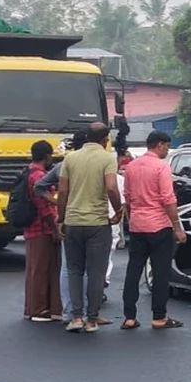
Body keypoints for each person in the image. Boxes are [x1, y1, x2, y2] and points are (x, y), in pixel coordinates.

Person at [58, 121, 122, 333]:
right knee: (96, 272)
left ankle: (76, 317)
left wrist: (61, 218)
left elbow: (63, 192)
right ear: (105, 140)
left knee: (74, 270)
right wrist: (118, 210)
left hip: (73, 221)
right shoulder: (107, 158)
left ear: (86, 137)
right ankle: (92, 319)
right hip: (97, 223)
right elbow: (112, 187)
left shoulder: (71, 158)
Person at [120, 131, 187, 331]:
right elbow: (168, 199)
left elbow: (128, 197)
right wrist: (177, 227)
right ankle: (159, 316)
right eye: (166, 146)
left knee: (133, 270)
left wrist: (133, 219)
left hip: (138, 225)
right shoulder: (161, 167)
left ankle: (129, 317)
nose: (167, 150)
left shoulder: (131, 167)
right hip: (159, 225)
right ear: (159, 145)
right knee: (160, 272)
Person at [38, 130, 87, 323]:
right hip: (94, 220)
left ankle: (71, 311)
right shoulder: (99, 162)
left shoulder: (63, 165)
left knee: (69, 267)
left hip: (69, 219)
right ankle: (90, 312)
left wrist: (58, 205)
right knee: (90, 268)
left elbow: (40, 186)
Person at [23, 140, 61, 323]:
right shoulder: (39, 176)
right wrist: (54, 229)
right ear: (47, 156)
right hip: (41, 228)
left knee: (36, 268)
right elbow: (44, 208)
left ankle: (33, 307)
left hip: (32, 228)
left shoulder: (28, 171)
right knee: (42, 269)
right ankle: (39, 309)